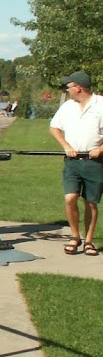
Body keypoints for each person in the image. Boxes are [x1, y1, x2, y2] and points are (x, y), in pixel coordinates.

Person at [49, 70, 103, 256]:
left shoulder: (100, 105)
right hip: (72, 161)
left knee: (91, 203)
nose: (67, 89)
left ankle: (88, 240)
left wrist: (101, 149)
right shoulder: (68, 107)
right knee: (70, 198)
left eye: (69, 86)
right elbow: (54, 127)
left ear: (78, 88)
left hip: (94, 162)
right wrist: (65, 145)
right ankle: (74, 236)